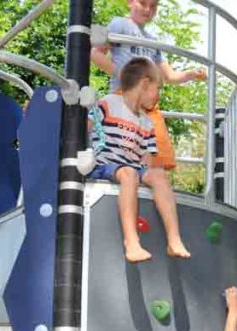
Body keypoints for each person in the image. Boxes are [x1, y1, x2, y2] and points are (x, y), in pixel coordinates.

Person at [88, 58, 190, 263]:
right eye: (157, 89)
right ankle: (132, 242)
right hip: (104, 164)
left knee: (159, 174)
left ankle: (174, 238)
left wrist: (153, 179)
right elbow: (86, 126)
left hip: (133, 168)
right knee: (129, 174)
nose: (158, 96)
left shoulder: (146, 121)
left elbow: (148, 161)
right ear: (144, 84)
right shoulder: (108, 103)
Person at [91, 0, 206, 170]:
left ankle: (153, 182)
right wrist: (124, 75)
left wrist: (190, 74)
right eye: (143, 3)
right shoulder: (120, 24)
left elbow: (169, 75)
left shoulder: (153, 41)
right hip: (124, 97)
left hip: (147, 105)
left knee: (159, 153)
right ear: (130, 2)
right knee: (122, 148)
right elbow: (96, 53)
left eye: (153, 6)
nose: (148, 9)